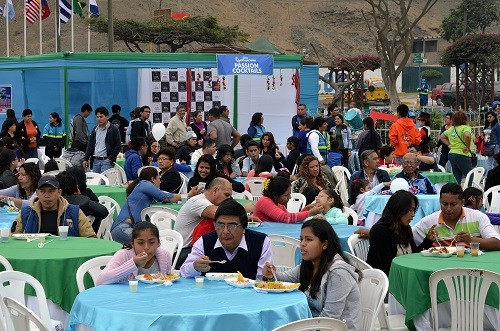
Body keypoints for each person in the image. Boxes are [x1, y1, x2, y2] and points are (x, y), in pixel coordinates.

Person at [262, 218, 361, 330]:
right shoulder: (309, 265)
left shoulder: (339, 273)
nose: (302, 244)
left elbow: (329, 320)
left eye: (308, 239)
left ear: (324, 244)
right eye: (301, 239)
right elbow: (283, 279)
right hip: (315, 323)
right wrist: (271, 274)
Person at [181, 199, 272, 279]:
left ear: (244, 228)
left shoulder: (260, 242)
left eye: (232, 225)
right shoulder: (205, 242)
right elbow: (183, 272)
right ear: (214, 225)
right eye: (220, 225)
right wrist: (195, 267)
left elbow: (262, 281)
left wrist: (268, 276)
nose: (225, 231)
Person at [111, 167, 197, 244]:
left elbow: (164, 195)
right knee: (154, 243)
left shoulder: (141, 185)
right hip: (122, 229)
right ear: (153, 179)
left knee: (153, 242)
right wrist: (189, 195)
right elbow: (166, 197)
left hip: (125, 228)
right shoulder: (145, 184)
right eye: (159, 178)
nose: (160, 181)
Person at [413, 183, 500, 250]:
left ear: (462, 202)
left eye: (453, 204)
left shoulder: (478, 217)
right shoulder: (428, 223)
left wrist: (471, 240)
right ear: (440, 201)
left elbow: (497, 243)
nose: (448, 208)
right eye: (444, 204)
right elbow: (408, 242)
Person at [366, 190, 433, 276]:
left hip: (403, 274)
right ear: (398, 209)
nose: (413, 215)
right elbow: (387, 265)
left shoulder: (405, 228)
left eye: (413, 210)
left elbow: (413, 255)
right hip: (383, 280)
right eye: (410, 210)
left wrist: (428, 240)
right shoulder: (379, 231)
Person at [174, 177, 235, 268]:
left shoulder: (205, 201)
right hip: (183, 253)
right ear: (215, 191)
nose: (228, 198)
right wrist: (245, 209)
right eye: (226, 195)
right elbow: (224, 214)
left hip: (192, 248)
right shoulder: (199, 201)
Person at [13, 175, 96, 237]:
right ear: (37, 193)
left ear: (59, 192)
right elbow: (12, 238)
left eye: (51, 191)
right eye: (43, 191)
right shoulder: (26, 213)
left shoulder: (74, 212)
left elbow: (90, 238)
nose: (47, 195)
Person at [96, 222, 172, 285]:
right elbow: (100, 281)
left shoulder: (165, 257)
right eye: (140, 243)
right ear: (133, 244)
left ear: (158, 243)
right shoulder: (123, 255)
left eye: (151, 242)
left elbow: (167, 282)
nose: (146, 247)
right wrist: (133, 264)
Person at [253, 176, 323, 223]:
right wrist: (310, 213)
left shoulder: (279, 202)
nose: (289, 197)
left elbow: (290, 217)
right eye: (286, 195)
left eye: (289, 194)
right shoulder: (264, 201)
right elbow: (285, 218)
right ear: (275, 195)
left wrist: (306, 209)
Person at [82, 107, 122, 173]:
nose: (99, 119)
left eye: (101, 117)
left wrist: (110, 158)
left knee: (104, 182)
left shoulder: (113, 130)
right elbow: (90, 145)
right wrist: (86, 158)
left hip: (107, 161)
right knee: (96, 182)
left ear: (107, 117)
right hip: (96, 160)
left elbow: (118, 146)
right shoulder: (95, 129)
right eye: (97, 117)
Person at [440, 110, 475, 183]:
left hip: (452, 153)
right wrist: (467, 147)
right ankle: (468, 191)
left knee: (457, 176)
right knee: (470, 175)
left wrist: (449, 145)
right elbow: (467, 135)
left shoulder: (451, 129)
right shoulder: (465, 127)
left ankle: (456, 192)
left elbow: (442, 136)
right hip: (463, 154)